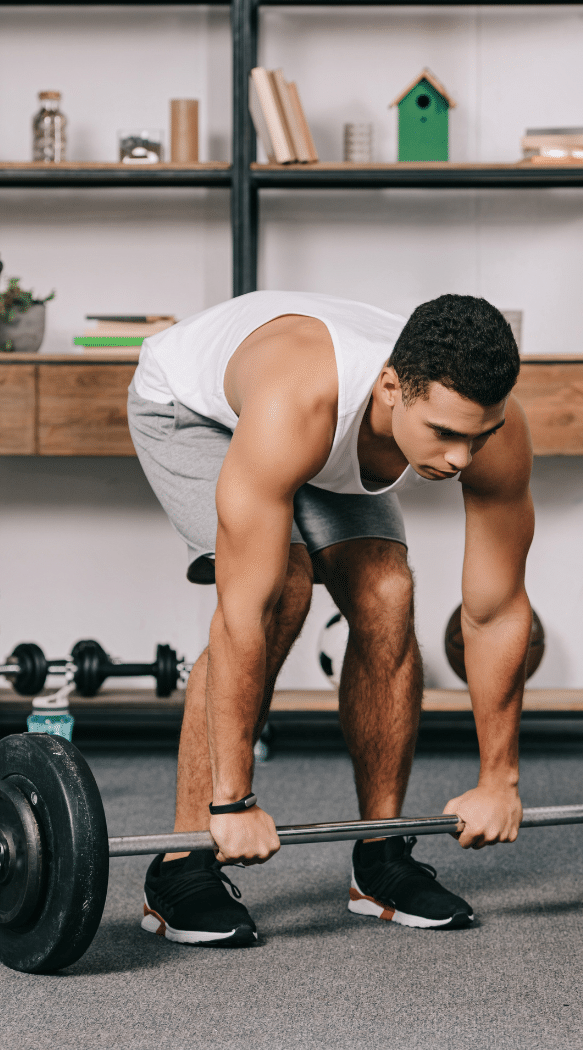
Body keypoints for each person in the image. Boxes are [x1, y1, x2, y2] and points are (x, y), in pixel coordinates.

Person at [127, 290, 534, 946]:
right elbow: (243, 615)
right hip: (193, 409)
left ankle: (381, 860)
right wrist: (233, 800)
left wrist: (499, 779)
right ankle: (180, 868)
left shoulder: (494, 432)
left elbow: (497, 610)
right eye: (446, 435)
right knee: (281, 588)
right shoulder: (300, 399)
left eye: (477, 436)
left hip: (325, 434)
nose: (462, 458)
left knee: (387, 593)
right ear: (393, 389)